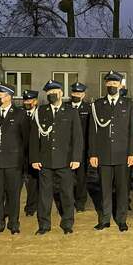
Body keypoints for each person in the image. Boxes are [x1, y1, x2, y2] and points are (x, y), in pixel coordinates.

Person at [30, 80, 84, 235]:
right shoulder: (40, 111)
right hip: (45, 160)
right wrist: (34, 158)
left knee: (66, 193)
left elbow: (77, 137)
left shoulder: (71, 111)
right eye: (49, 93)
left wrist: (76, 158)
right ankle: (44, 225)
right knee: (44, 195)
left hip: (65, 160)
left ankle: (67, 223)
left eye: (55, 92)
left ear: (61, 93)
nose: (52, 94)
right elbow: (34, 138)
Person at [88, 70, 133, 232]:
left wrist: (132, 153)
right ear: (105, 85)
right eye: (109, 84)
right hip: (103, 155)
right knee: (105, 189)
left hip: (123, 155)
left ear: (120, 85)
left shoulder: (129, 104)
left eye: (115, 83)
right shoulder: (97, 105)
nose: (112, 86)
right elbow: (93, 132)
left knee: (123, 190)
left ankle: (122, 220)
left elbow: (132, 132)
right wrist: (93, 154)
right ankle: (104, 219)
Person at [0, 83, 28, 235]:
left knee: (13, 194)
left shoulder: (20, 114)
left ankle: (14, 223)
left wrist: (24, 161)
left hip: (13, 162)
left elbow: (25, 139)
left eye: (0, 96)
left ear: (9, 97)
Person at [67, 82, 91, 212]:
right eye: (74, 93)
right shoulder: (65, 107)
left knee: (81, 177)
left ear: (83, 95)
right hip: (67, 149)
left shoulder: (88, 108)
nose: (76, 95)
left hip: (82, 149)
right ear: (71, 94)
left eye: (79, 93)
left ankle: (81, 202)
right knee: (67, 178)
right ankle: (68, 201)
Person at [22, 89, 39, 217]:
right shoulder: (19, 113)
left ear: (35, 101)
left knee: (33, 182)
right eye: (25, 100)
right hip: (20, 153)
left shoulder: (40, 113)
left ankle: (31, 207)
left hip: (34, 152)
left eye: (29, 100)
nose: (27, 102)